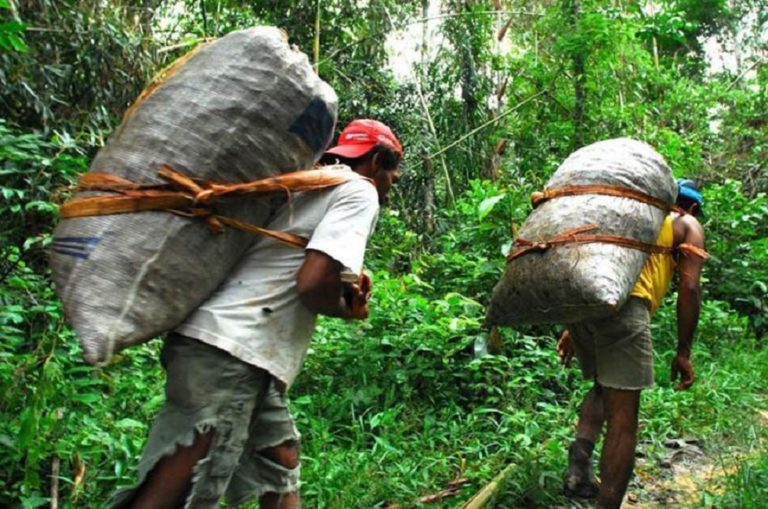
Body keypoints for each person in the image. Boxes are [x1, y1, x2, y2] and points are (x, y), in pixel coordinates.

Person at [112, 119, 402, 509]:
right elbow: (313, 284)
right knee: (176, 493)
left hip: (222, 344)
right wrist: (347, 311)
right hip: (234, 351)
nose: (393, 181)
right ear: (378, 161)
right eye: (394, 171)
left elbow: (292, 263)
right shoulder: (359, 192)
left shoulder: (309, 184)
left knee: (280, 459)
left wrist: (342, 289)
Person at [556, 179, 707, 509]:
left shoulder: (627, 216)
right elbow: (690, 288)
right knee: (623, 421)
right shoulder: (686, 223)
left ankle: (579, 469)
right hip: (625, 308)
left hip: (585, 307)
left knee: (601, 387)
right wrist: (683, 351)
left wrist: (571, 326)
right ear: (693, 206)